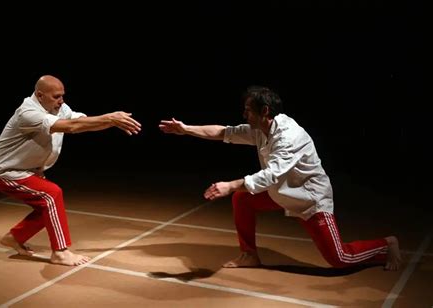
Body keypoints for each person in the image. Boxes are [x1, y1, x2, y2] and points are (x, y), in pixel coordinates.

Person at [159, 86, 402, 271]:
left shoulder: (289, 136)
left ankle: (385, 245)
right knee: (242, 200)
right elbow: (225, 132)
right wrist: (186, 128)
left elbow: (271, 174)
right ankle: (249, 255)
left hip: (309, 199)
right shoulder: (261, 129)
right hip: (282, 193)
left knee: (339, 259)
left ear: (264, 111)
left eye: (247, 110)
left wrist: (230, 185)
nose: (244, 114)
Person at [0, 75, 142, 266]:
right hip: (5, 170)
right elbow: (70, 126)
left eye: (62, 96)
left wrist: (113, 122)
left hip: (27, 170)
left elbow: (82, 123)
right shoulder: (27, 112)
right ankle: (60, 252)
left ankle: (15, 237)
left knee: (48, 206)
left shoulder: (58, 108)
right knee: (52, 195)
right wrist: (109, 117)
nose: (61, 101)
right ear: (40, 95)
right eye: (56, 96)